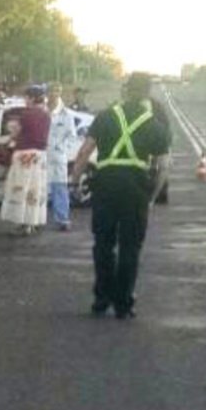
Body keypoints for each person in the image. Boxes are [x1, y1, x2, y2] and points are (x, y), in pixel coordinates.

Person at [70, 72, 172, 320]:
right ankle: (124, 303)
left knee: (103, 244)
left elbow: (84, 152)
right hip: (135, 188)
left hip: (105, 185)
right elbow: (163, 167)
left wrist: (75, 182)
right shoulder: (156, 126)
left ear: (126, 90)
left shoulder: (105, 117)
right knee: (130, 247)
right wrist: (151, 198)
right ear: (147, 92)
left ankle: (102, 298)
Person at [0, 84, 51, 233]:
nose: (25, 100)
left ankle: (23, 223)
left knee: (21, 189)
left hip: (24, 155)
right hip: (40, 156)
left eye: (26, 97)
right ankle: (33, 222)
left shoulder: (26, 114)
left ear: (32, 98)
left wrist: (10, 132)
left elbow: (14, 131)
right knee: (35, 189)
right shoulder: (46, 114)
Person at [44, 87, 80, 231]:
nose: (53, 94)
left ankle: (62, 219)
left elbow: (72, 136)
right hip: (42, 155)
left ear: (60, 93)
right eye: (51, 91)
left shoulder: (66, 114)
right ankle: (36, 220)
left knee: (59, 187)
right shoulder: (42, 110)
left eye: (56, 91)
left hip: (58, 156)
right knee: (40, 189)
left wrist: (60, 147)